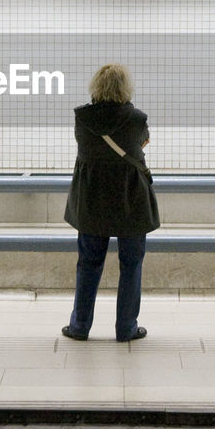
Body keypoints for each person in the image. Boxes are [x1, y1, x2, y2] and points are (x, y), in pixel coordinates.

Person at [61, 63, 160, 342]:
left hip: (92, 199)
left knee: (89, 263)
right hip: (130, 199)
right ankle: (126, 328)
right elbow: (141, 144)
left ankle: (80, 326)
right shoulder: (137, 119)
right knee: (131, 264)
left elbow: (89, 151)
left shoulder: (82, 119)